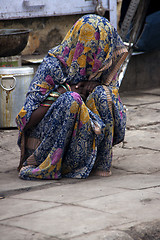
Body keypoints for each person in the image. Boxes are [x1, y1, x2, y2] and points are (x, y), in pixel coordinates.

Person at [16, 14, 128, 180]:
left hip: (79, 147)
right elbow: (27, 120)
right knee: (71, 100)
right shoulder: (54, 65)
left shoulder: (101, 68)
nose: (96, 60)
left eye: (101, 53)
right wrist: (63, 91)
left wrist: (97, 88)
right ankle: (49, 165)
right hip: (44, 144)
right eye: (91, 52)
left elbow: (117, 119)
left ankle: (98, 164)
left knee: (104, 95)